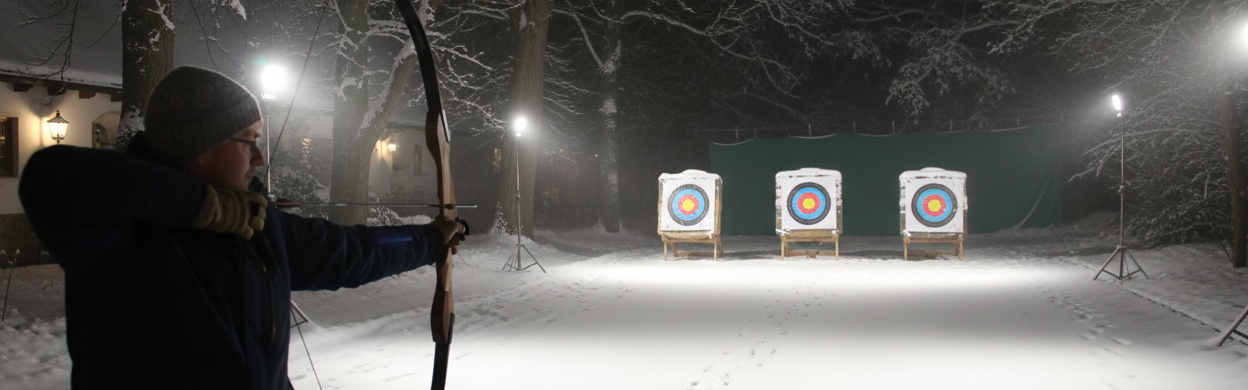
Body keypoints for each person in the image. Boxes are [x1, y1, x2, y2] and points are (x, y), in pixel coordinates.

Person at [19, 65, 465, 389]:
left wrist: (429, 239)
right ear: (199, 147)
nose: (259, 157)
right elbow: (49, 180)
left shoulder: (255, 224)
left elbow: (351, 249)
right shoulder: (121, 238)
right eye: (248, 141)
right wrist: (205, 206)